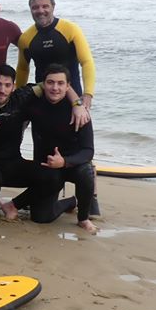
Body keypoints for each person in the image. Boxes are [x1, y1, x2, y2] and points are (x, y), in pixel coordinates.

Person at [0, 64, 88, 224]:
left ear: (14, 86)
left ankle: (14, 205)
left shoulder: (21, 97)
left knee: (53, 176)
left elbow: (52, 84)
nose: (2, 90)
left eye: (7, 85)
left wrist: (77, 104)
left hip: (13, 163)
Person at [21, 64, 98, 233]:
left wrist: (64, 162)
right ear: (43, 84)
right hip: (47, 168)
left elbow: (88, 151)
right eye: (50, 82)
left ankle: (83, 218)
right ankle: (70, 202)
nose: (55, 88)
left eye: (60, 83)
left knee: (86, 172)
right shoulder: (34, 105)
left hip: (72, 165)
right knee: (40, 218)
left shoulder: (79, 112)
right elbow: (13, 110)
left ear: (68, 86)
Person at [16, 0, 96, 109]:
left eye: (45, 6)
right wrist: (18, 98)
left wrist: (88, 94)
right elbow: (22, 69)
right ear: (30, 9)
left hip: (74, 100)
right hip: (42, 98)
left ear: (53, 6)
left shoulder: (70, 30)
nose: (40, 11)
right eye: (35, 7)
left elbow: (86, 62)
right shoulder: (26, 38)